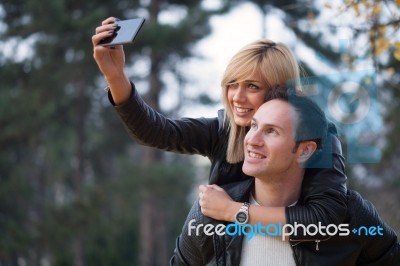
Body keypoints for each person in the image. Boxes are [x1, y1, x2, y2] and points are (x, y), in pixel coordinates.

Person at [92, 18, 347, 243]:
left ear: (278, 91)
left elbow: (325, 220)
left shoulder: (317, 137)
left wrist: (230, 211)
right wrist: (116, 76)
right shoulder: (224, 130)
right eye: (232, 84)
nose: (237, 96)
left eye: (253, 86)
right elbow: (155, 131)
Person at [170, 86, 400, 265]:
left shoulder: (352, 219)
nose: (252, 139)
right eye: (254, 126)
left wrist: (236, 213)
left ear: (305, 150)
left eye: (271, 131)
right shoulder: (210, 212)